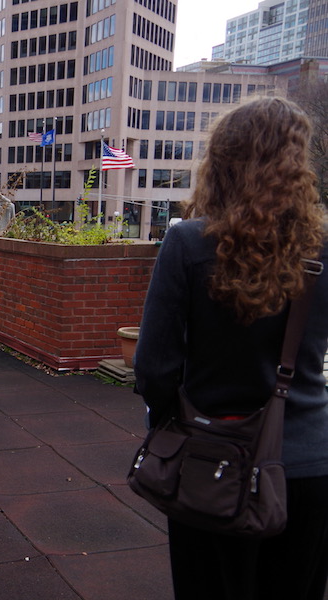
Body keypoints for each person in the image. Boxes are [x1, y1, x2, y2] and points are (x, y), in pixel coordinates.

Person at [133, 97, 328, 600]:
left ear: (221, 160)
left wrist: (170, 424)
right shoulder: (322, 250)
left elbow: (154, 368)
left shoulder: (190, 244)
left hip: (211, 461)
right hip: (308, 463)